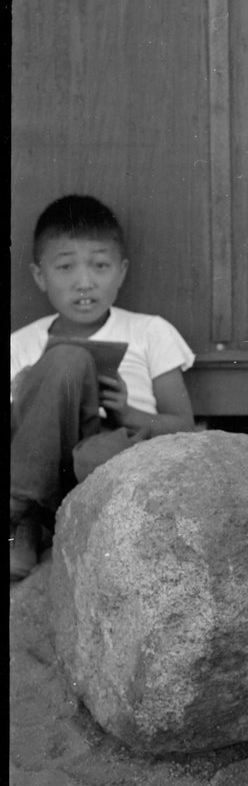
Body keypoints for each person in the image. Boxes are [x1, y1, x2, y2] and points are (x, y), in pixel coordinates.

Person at [10, 194, 196, 580]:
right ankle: (20, 520)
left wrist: (130, 412)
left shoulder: (149, 331)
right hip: (42, 469)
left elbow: (184, 426)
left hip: (107, 460)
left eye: (100, 265)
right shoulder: (21, 344)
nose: (84, 282)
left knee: (98, 453)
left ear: (122, 271)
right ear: (40, 275)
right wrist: (28, 392)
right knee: (66, 360)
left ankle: (40, 521)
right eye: (65, 267)